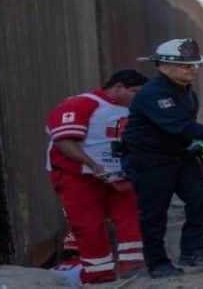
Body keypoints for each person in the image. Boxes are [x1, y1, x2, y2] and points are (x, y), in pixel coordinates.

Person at [121, 39, 203, 278]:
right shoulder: (154, 93)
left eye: (194, 65)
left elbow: (187, 129)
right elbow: (182, 126)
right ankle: (158, 263)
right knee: (154, 214)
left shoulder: (184, 90)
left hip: (179, 157)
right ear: (164, 65)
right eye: (186, 66)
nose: (192, 69)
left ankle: (193, 251)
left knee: (200, 201)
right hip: (150, 162)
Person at [46, 70, 148, 285]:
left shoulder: (132, 109)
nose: (139, 97)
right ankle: (99, 275)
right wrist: (91, 164)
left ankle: (134, 268)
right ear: (119, 87)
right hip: (78, 175)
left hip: (117, 173)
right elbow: (64, 141)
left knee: (131, 217)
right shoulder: (83, 104)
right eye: (136, 92)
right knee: (89, 225)